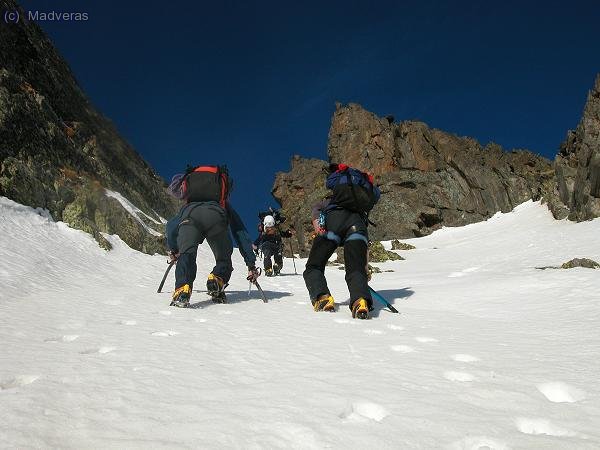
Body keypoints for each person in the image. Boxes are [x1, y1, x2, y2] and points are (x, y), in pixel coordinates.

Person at [165, 165, 260, 307]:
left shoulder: (188, 206)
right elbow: (239, 231)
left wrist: (174, 249)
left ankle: (182, 289)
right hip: (216, 218)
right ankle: (217, 278)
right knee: (224, 259)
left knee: (187, 255)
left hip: (189, 219)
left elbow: (171, 227)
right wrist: (251, 263)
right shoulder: (223, 204)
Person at [303, 163, 380, 319]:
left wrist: (319, 227)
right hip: (357, 225)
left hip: (333, 223)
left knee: (314, 266)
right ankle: (360, 300)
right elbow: (363, 251)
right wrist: (364, 269)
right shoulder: (361, 202)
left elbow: (316, 211)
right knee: (355, 268)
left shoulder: (328, 201)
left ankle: (322, 297)